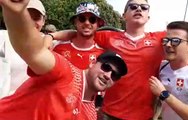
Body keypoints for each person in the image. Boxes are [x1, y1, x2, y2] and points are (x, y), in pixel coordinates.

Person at [48, 0, 188, 119]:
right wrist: (51, 36)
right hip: (108, 114)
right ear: (124, 15)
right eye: (133, 6)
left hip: (143, 116)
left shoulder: (161, 39)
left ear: (148, 16)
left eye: (144, 7)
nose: (138, 9)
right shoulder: (108, 36)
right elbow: (79, 32)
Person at [0, 0, 128, 120]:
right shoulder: (64, 63)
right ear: (93, 63)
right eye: (106, 67)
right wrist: (16, 13)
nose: (108, 75)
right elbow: (34, 52)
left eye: (115, 75)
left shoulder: (90, 114)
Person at [149, 21, 188, 120]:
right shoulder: (162, 67)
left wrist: (164, 94)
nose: (168, 45)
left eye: (175, 41)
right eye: (166, 40)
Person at [0, 0, 46, 98]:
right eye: (27, 16)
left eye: (36, 18)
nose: (31, 22)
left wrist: (51, 36)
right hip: (4, 104)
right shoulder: (3, 37)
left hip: (30, 107)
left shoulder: (48, 44)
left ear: (43, 21)